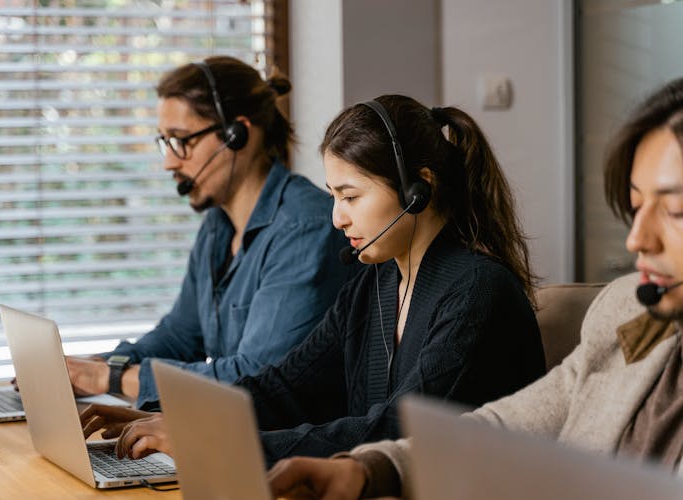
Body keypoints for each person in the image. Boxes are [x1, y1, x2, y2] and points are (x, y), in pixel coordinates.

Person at [267, 78, 683, 500]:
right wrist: (369, 467)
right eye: (634, 206)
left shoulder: (477, 291)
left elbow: (403, 421)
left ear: (418, 191)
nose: (637, 239)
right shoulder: (626, 313)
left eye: (674, 210)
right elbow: (504, 426)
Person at [79, 95, 546, 465]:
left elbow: (398, 430)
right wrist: (170, 416)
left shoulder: (478, 291)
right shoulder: (377, 283)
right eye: (332, 196)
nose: (337, 218)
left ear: (417, 190)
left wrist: (211, 436)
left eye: (350, 196)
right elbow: (285, 387)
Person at [64, 56, 357, 409]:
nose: (169, 162)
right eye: (165, 142)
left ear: (238, 135)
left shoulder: (304, 230)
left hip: (288, 453)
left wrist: (111, 380)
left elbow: (255, 377)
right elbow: (179, 336)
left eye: (181, 140)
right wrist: (97, 366)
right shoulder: (217, 228)